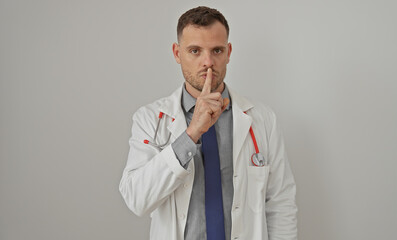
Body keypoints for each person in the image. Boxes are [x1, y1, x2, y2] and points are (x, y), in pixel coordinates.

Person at [119, 6, 297, 240]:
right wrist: (192, 133)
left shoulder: (263, 119)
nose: (208, 62)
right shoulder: (149, 119)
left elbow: (281, 204)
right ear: (177, 53)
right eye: (195, 51)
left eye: (216, 50)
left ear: (229, 52)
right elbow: (137, 199)